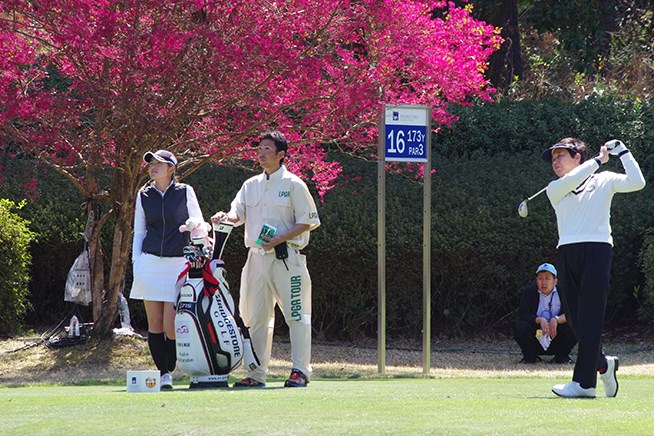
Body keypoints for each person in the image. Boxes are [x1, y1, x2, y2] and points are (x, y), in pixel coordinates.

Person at [211, 131, 320, 388]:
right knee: (255, 317)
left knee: (297, 315)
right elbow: (236, 214)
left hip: (287, 259)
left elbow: (309, 221)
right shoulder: (250, 185)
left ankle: (300, 371)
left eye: (267, 149)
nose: (261, 153)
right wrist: (224, 218)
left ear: (281, 154)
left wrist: (280, 238)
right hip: (256, 260)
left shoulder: (294, 184)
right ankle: (256, 373)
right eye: (259, 148)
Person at [540, 138, 645, 398]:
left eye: (561, 155)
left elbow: (637, 182)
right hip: (566, 251)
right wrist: (597, 161)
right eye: (553, 157)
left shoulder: (604, 179)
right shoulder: (555, 188)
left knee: (591, 317)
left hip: (597, 250)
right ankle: (603, 364)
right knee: (576, 319)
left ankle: (584, 384)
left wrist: (622, 151)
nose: (555, 161)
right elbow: (572, 180)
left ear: (578, 157)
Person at [130, 149, 205, 390]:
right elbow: (139, 231)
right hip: (150, 263)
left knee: (171, 324)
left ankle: (170, 366)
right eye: (151, 163)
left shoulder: (185, 191)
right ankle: (164, 373)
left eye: (159, 163)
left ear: (172, 169)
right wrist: (136, 262)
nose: (153, 167)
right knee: (155, 324)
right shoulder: (144, 194)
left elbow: (199, 220)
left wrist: (193, 225)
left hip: (177, 264)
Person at [514, 263, 577, 364]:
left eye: (547, 278)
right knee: (520, 327)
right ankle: (529, 357)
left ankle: (562, 357)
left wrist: (556, 319)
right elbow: (523, 314)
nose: (543, 282)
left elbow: (572, 313)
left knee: (574, 326)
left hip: (556, 333)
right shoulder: (529, 292)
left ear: (555, 281)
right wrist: (539, 320)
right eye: (540, 278)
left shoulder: (564, 292)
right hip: (537, 334)